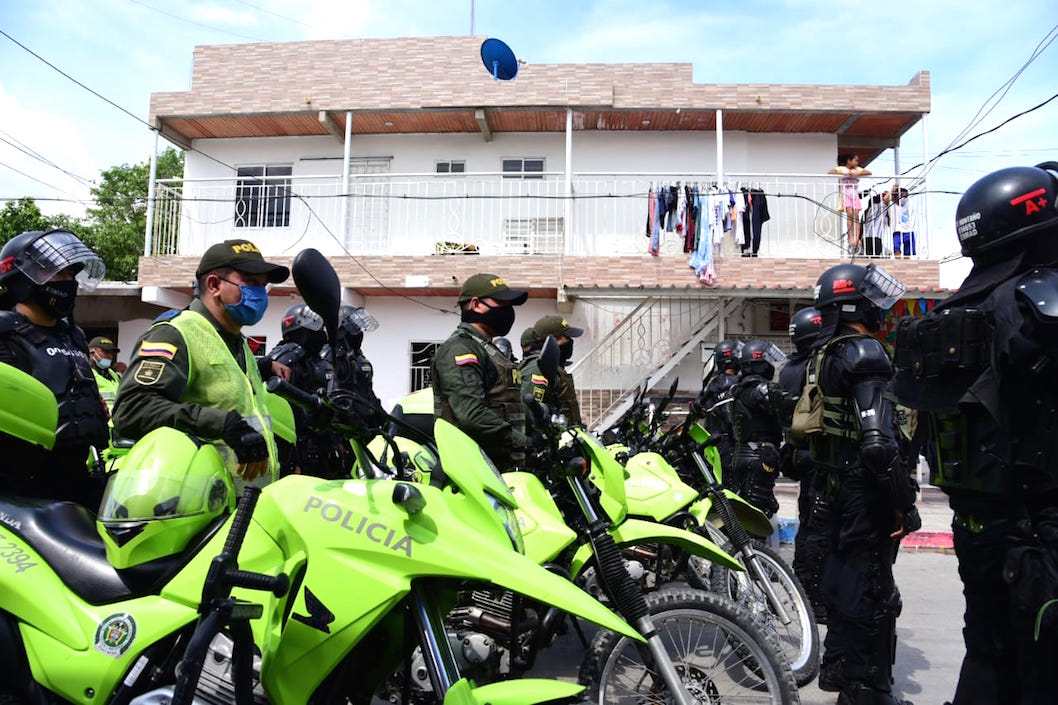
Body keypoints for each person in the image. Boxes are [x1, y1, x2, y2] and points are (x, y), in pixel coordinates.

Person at [892, 163, 1058, 705]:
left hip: (977, 522)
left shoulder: (952, 313)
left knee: (987, 653)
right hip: (1037, 524)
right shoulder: (1037, 302)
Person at [809, 262, 918, 705]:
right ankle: (866, 691)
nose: (880, 309)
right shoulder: (864, 352)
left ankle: (838, 671)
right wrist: (903, 501)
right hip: (864, 489)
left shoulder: (828, 351)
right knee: (874, 592)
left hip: (836, 485)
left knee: (842, 581)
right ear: (854, 303)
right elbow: (877, 444)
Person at [112, 239, 289, 494]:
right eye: (250, 283)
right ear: (214, 285)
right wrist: (222, 424)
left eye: (263, 286)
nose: (259, 294)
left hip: (243, 503)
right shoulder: (175, 334)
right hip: (198, 505)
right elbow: (131, 409)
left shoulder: (237, 343)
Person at [0, 228, 109, 506]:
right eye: (58, 274)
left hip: (76, 484)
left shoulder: (75, 336)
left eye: (71, 275)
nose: (68, 282)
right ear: (21, 279)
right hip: (17, 492)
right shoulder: (4, 334)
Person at [432, 273, 529, 470]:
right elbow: (471, 414)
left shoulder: (485, 348)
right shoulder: (462, 349)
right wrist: (522, 441)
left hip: (498, 467)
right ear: (475, 304)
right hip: (474, 471)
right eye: (501, 303)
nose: (508, 311)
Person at [777, 306, 829, 621]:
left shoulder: (789, 368)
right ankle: (814, 596)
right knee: (818, 526)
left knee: (809, 521)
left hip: (800, 453)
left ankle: (803, 584)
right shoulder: (813, 368)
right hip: (819, 454)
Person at [263, 302, 349, 478]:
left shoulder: (316, 362)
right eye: (318, 327)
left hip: (322, 448)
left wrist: (337, 441)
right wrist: (292, 460)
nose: (322, 332)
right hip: (296, 451)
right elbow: (278, 414)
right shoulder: (285, 360)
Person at [728, 340, 790, 517]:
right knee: (755, 516)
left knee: (746, 509)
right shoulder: (761, 390)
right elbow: (788, 413)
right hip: (760, 457)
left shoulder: (736, 390)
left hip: (741, 453)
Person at [520, 315, 584, 427]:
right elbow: (527, 412)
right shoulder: (539, 368)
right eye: (567, 337)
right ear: (554, 341)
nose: (570, 342)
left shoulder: (552, 366)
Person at [693, 340, 742, 474]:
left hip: (714, 442)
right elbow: (732, 419)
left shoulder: (713, 383)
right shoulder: (734, 384)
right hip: (730, 443)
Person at [829, 153, 872, 254]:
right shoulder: (842, 169)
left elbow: (868, 172)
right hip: (846, 195)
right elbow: (830, 172)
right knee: (850, 215)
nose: (857, 162)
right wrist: (844, 174)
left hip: (855, 195)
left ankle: (857, 237)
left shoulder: (857, 170)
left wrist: (857, 174)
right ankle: (851, 237)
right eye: (855, 160)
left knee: (856, 215)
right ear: (849, 161)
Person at [89, 335, 122, 412]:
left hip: (116, 422)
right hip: (99, 422)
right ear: (92, 352)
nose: (110, 356)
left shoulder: (114, 375)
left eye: (111, 353)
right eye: (105, 352)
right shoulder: (86, 375)